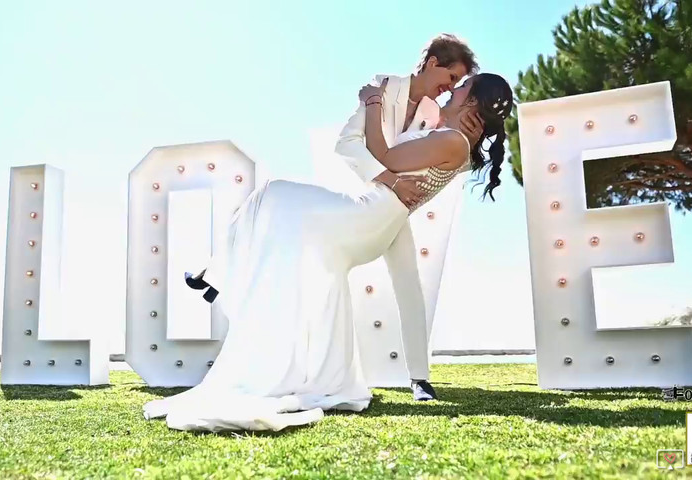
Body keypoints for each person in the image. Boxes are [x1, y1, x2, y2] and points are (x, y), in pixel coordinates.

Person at [143, 72, 513, 432]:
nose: (452, 92)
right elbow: (398, 167)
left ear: (475, 103)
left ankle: (217, 273)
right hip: (376, 210)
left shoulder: (453, 141)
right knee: (287, 223)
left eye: (462, 88)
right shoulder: (452, 141)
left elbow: (383, 154)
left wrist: (372, 101)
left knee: (277, 195)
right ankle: (222, 276)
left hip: (371, 212)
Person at [335, 34, 485, 401]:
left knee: (410, 287)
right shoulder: (381, 90)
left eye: (456, 86)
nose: (450, 90)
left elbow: (443, 158)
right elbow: (346, 144)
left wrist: (475, 133)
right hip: (361, 197)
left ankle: (420, 379)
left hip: (397, 211)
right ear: (433, 63)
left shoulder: (436, 116)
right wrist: (387, 180)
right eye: (450, 78)